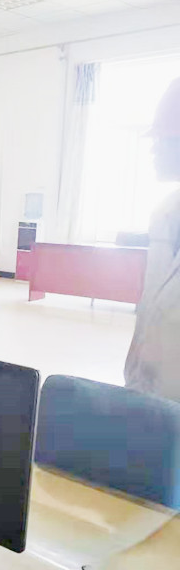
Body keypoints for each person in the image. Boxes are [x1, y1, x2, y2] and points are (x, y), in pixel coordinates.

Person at [125, 77, 180, 403]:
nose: (153, 148)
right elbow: (150, 313)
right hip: (146, 393)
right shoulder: (164, 213)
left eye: (164, 138)